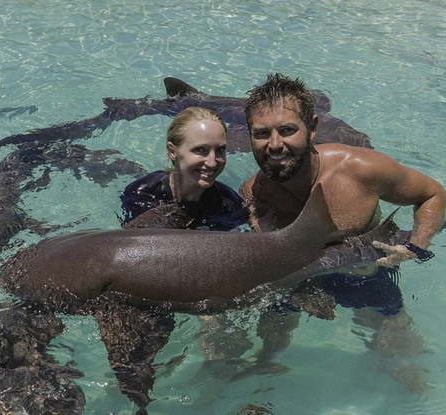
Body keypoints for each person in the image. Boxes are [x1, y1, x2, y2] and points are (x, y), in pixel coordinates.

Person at [239, 72, 446, 392]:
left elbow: (433, 194)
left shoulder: (361, 170)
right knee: (266, 362)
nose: (275, 144)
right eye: (262, 133)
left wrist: (416, 246)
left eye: (288, 130)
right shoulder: (254, 192)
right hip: (297, 284)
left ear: (313, 127)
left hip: (366, 277)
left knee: (408, 375)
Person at [120, 106, 249, 230]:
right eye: (200, 150)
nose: (212, 162)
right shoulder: (141, 194)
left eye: (220, 150)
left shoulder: (230, 204)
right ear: (172, 151)